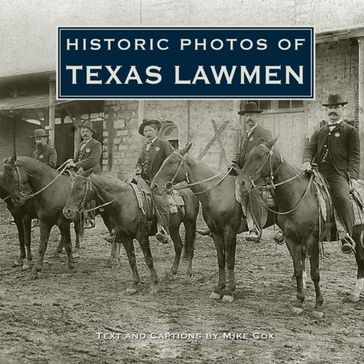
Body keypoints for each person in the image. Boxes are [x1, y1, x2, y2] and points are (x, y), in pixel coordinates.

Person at [198, 102, 274, 242]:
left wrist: (252, 172)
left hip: (257, 175)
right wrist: (233, 164)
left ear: (258, 116)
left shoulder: (264, 133)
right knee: (222, 185)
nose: (249, 118)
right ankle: (215, 224)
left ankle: (254, 228)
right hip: (243, 173)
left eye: (252, 115)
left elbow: (266, 156)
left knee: (249, 191)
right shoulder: (243, 135)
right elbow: (240, 156)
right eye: (246, 115)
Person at [302, 94, 360, 254]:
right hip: (318, 172)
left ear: (342, 109)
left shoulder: (350, 131)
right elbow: (309, 149)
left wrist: (353, 178)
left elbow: (355, 157)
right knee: (299, 192)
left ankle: (347, 235)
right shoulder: (320, 131)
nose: (332, 111)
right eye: (329, 108)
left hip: (337, 174)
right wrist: (306, 161)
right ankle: (293, 228)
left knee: (342, 197)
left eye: (335, 107)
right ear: (326, 111)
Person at [135, 119, 174, 244]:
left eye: (150, 130)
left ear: (156, 131)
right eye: (145, 131)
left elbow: (171, 161)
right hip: (144, 179)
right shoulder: (145, 147)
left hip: (159, 181)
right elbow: (140, 161)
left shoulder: (163, 144)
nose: (147, 133)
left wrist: (165, 177)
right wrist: (138, 168)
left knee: (158, 199)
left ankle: (163, 229)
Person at [68, 121, 102, 228]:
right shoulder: (81, 145)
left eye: (87, 131)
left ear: (92, 133)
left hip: (92, 172)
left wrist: (76, 165)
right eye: (83, 131)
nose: (84, 133)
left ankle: (90, 217)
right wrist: (71, 162)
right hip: (81, 172)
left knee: (89, 190)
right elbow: (77, 158)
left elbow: (93, 160)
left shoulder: (96, 144)